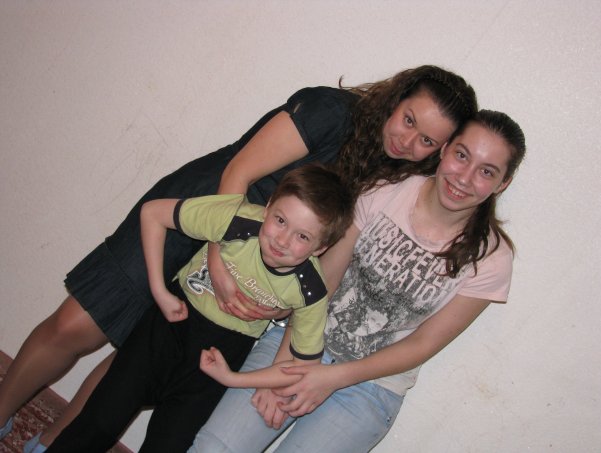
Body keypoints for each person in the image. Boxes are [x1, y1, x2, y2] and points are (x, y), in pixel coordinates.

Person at [0, 65, 477, 452]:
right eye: (409, 120)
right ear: (396, 97)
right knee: (77, 324)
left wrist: (278, 297)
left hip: (257, 257)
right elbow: (240, 169)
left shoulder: (392, 179)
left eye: (427, 141)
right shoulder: (332, 112)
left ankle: (51, 442)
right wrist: (218, 260)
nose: (409, 142)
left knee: (138, 355)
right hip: (201, 213)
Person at [188, 109, 527, 453]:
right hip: (302, 341)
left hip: (371, 386)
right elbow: (322, 283)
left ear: (503, 184)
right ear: (445, 149)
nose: (464, 177)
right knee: (213, 449)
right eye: (461, 155)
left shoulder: (491, 260)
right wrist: (281, 369)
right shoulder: (386, 191)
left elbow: (422, 344)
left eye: (487, 171)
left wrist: (333, 378)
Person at [45, 164, 354, 453]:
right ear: (269, 205)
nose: (282, 240)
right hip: (168, 327)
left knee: (167, 447)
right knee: (99, 421)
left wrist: (232, 379)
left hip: (217, 361)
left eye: (302, 236)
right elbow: (153, 213)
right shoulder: (238, 220)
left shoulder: (311, 291)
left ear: (320, 248)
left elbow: (301, 369)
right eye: (280, 220)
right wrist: (159, 291)